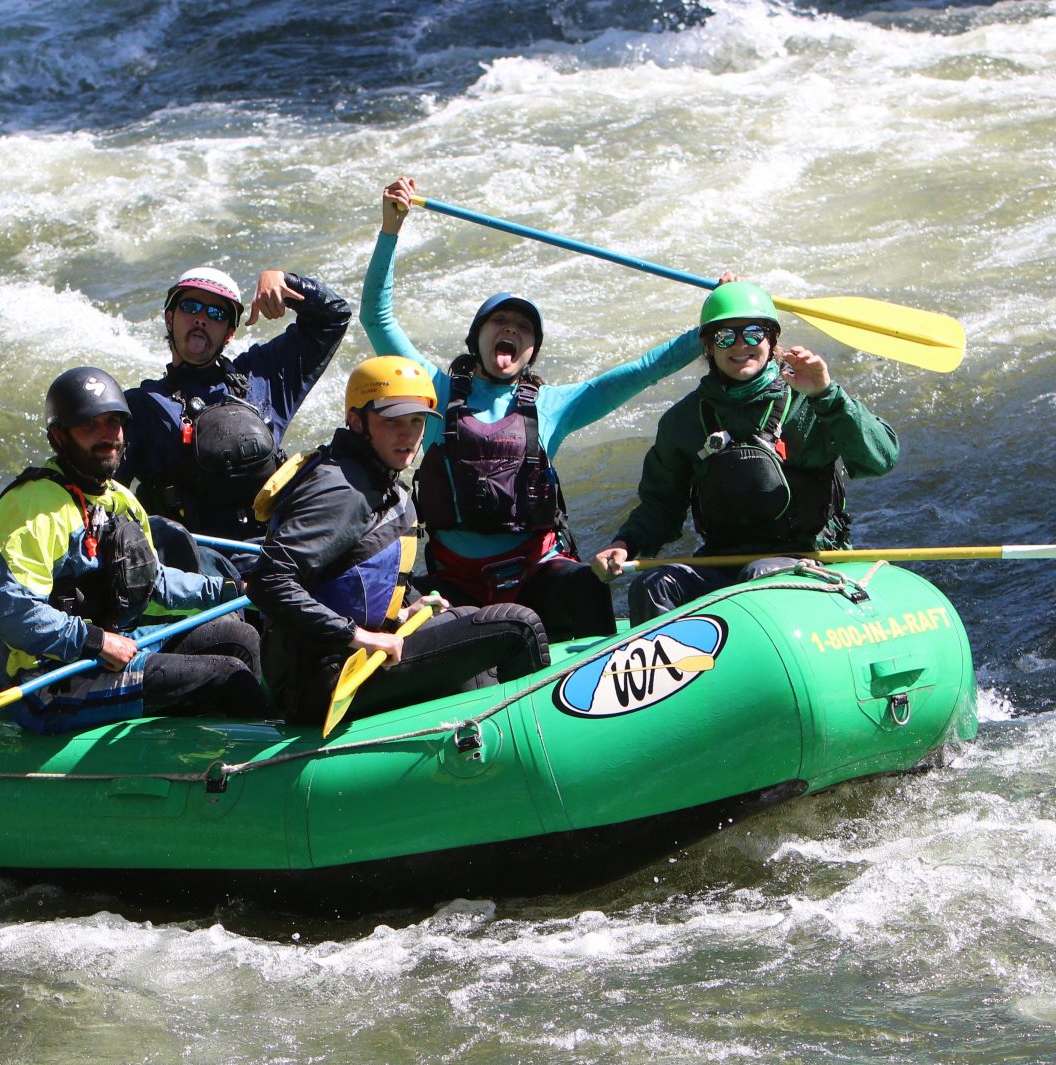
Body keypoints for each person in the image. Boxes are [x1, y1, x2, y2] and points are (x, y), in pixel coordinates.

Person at [362, 175, 706, 641]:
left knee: (585, 584)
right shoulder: (436, 391)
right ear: (477, 338)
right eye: (500, 321)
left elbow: (642, 370)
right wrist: (390, 231)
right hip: (456, 581)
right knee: (408, 610)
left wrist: (714, 322)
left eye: (524, 328)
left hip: (536, 571)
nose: (512, 330)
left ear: (532, 353)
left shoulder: (553, 405)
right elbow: (376, 316)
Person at [242, 356, 549, 728]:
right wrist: (357, 636)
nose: (408, 435)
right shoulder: (344, 489)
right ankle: (539, 740)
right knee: (519, 626)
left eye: (416, 421)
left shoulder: (376, 476)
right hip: (325, 678)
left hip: (346, 657)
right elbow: (267, 581)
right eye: (392, 422)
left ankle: (482, 740)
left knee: (469, 616)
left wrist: (407, 605)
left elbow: (352, 566)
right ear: (357, 421)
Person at [0, 366, 271, 733]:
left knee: (239, 637)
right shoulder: (30, 508)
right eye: (90, 425)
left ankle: (234, 742)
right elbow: (15, 613)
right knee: (225, 676)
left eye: (114, 423)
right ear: (58, 436)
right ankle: (258, 760)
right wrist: (96, 642)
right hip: (46, 680)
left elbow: (153, 583)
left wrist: (230, 590)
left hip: (110, 653)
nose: (107, 435)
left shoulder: (121, 500)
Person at [591, 282, 900, 623]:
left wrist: (827, 394)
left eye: (753, 333)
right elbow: (662, 506)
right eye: (725, 336)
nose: (740, 345)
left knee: (758, 575)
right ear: (708, 346)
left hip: (810, 561)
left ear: (771, 340)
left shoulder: (810, 401)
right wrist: (625, 544)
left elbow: (881, 457)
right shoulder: (683, 421)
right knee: (654, 587)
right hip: (723, 564)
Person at [119, 263, 351, 542]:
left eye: (216, 313)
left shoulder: (264, 376)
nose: (201, 319)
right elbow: (103, 491)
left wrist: (285, 282)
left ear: (229, 333)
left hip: (274, 557)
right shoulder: (140, 406)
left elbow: (332, 317)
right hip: (189, 567)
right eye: (191, 307)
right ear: (170, 319)